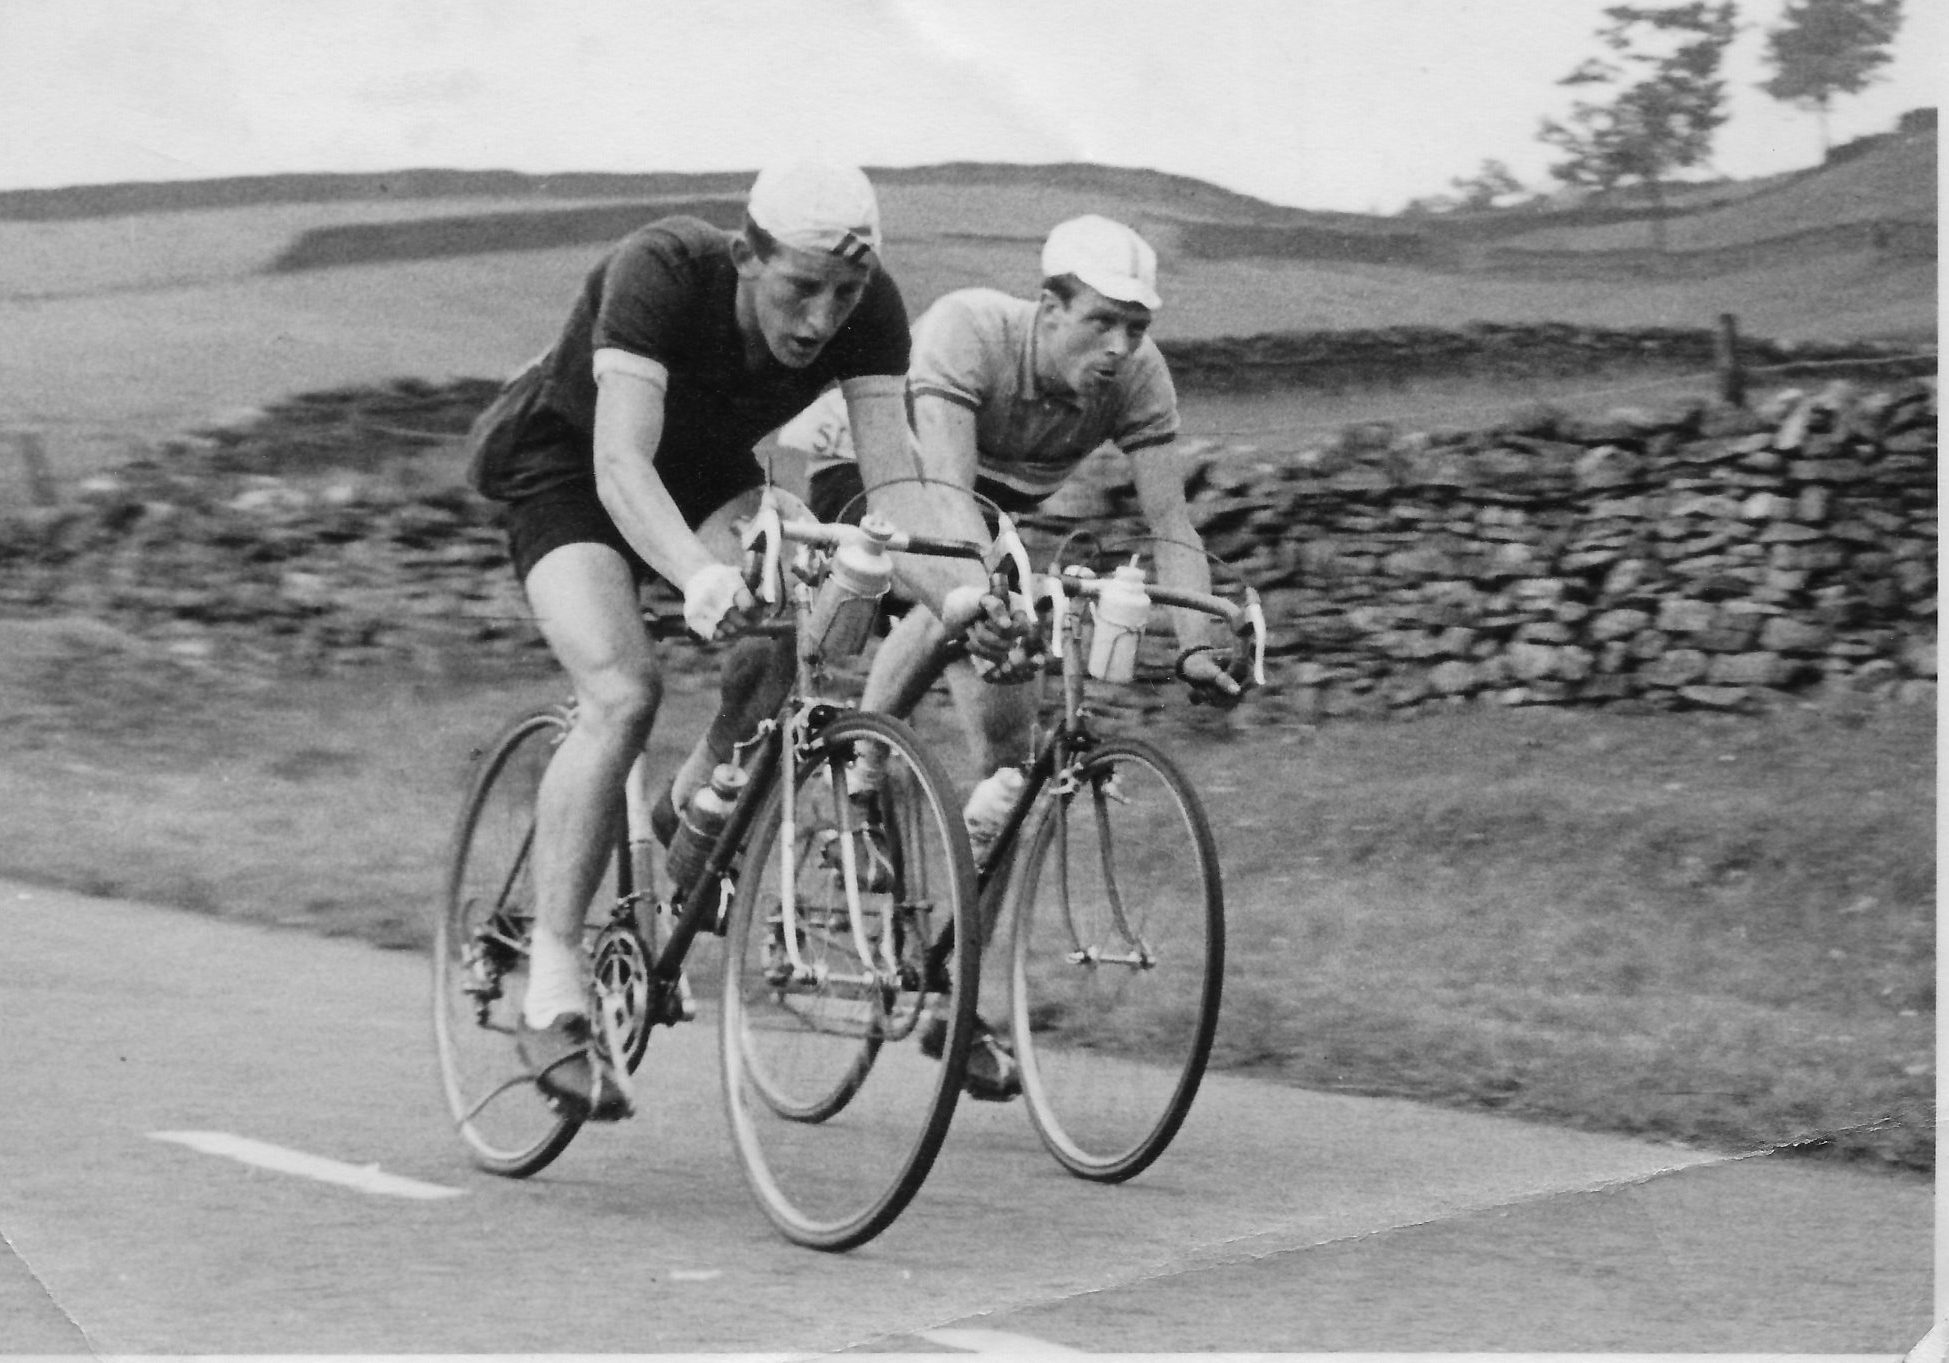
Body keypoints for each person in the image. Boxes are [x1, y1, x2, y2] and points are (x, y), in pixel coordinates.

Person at [464, 161, 999, 1123]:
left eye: (843, 294)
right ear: (746, 255)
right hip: (571, 470)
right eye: (800, 287)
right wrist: (697, 575)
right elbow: (621, 459)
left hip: (705, 473)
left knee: (778, 645)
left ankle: (683, 822)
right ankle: (551, 987)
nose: (820, 318)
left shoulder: (870, 309)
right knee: (624, 693)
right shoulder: (663, 267)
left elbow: (894, 494)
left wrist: (965, 600)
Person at [781, 214, 1241, 1100]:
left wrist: (1192, 646)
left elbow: (1169, 523)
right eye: (1100, 322)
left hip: (985, 524)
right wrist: (990, 593)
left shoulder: (1138, 379)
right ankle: (860, 775)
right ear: (1046, 307)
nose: (1119, 347)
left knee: (1009, 770)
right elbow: (946, 502)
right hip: (870, 483)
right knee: (962, 600)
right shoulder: (970, 331)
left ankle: (953, 999)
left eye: (1136, 328)